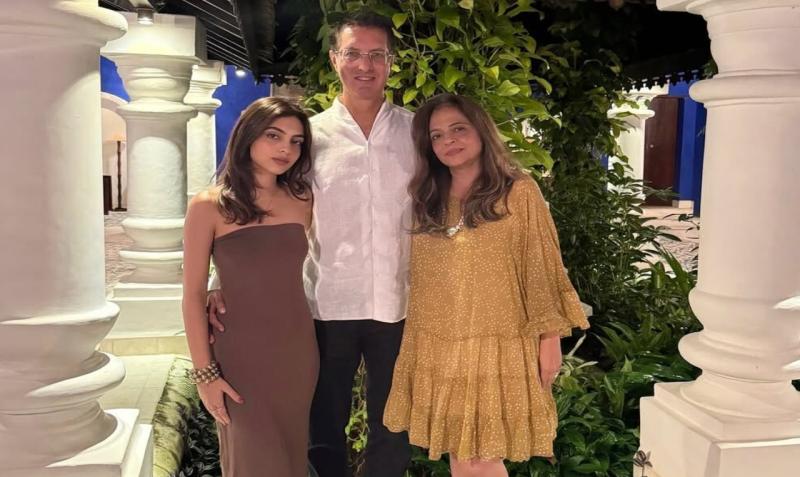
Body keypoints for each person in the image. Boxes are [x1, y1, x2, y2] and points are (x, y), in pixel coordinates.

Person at [207, 11, 415, 477]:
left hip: (400, 303)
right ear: (335, 58)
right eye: (354, 53)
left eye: (377, 55)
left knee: (394, 429)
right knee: (323, 429)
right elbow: (263, 210)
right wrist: (221, 278)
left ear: (390, 62)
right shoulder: (308, 138)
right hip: (324, 306)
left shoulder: (415, 133)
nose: (365, 65)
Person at [383, 94, 590, 476]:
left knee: (480, 457)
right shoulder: (427, 197)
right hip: (439, 343)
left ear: (481, 130)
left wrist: (549, 340)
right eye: (437, 135)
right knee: (461, 453)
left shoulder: (519, 191)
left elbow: (541, 268)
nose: (449, 140)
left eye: (458, 128)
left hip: (499, 342)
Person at [182, 97, 319, 477]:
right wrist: (205, 374)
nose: (285, 149)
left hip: (297, 350)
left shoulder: (302, 199)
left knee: (291, 457)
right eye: (274, 135)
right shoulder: (209, 205)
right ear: (248, 135)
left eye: (295, 141)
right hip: (240, 355)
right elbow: (192, 296)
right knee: (252, 460)